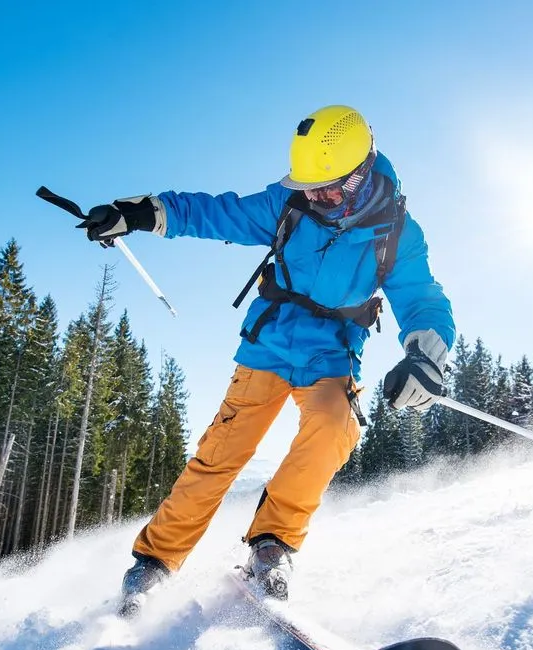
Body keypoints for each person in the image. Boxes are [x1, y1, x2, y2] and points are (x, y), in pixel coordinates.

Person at [77, 105, 455, 611]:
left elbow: (422, 298)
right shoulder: (290, 204)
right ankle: (154, 563)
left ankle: (272, 544)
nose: (314, 196)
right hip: (269, 344)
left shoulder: (398, 232)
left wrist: (425, 357)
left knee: (335, 425)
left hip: (333, 353)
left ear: (362, 175)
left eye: (327, 187)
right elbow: (216, 212)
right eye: (307, 185)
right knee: (222, 451)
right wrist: (139, 213)